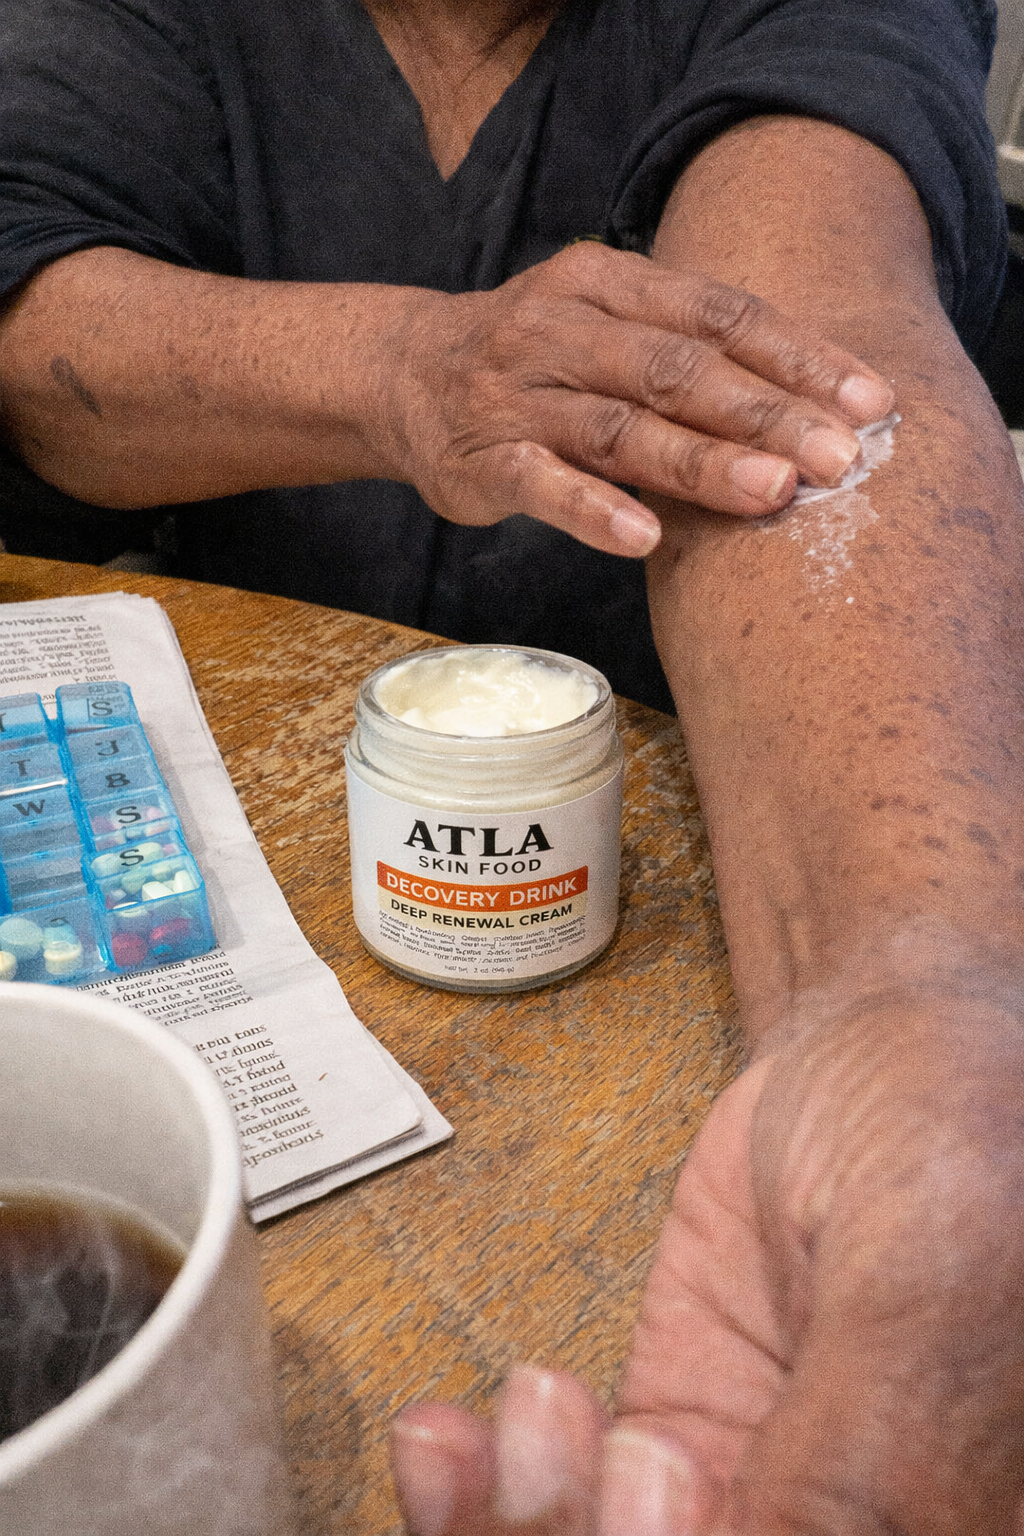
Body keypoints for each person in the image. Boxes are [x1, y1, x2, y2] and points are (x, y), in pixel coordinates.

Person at [2, 1, 1024, 1530]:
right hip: (281, 832)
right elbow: (34, 298)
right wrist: (401, 368)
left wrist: (908, 1005)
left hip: (683, 899)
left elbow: (814, 347)